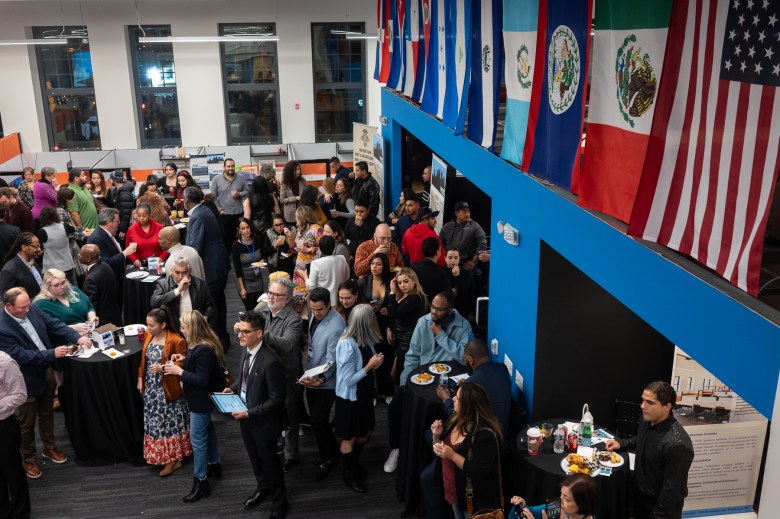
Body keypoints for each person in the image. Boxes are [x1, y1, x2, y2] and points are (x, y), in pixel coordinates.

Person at [0, 287, 91, 479]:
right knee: (27, 423)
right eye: (23, 307)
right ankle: (29, 460)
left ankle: (49, 448)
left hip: (46, 371)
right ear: (8, 306)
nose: (28, 310)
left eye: (28, 305)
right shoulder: (3, 328)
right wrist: (52, 353)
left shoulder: (31, 308)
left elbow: (53, 324)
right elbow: (19, 355)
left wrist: (76, 336)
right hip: (24, 381)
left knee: (47, 413)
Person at [385, 291, 474, 473]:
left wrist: (441, 336)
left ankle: (431, 454)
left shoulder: (463, 326)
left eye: (439, 309)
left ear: (449, 310)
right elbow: (412, 356)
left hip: (445, 383)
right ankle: (397, 447)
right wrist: (404, 384)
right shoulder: (423, 321)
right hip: (419, 379)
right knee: (395, 407)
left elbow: (465, 358)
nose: (433, 312)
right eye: (432, 307)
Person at [227, 311, 288, 518]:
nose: (240, 336)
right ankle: (263, 488)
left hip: (263, 422)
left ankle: (280, 501)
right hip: (246, 418)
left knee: (271, 463)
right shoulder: (247, 350)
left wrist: (249, 413)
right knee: (255, 459)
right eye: (239, 331)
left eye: (245, 332)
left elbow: (277, 399)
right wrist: (233, 388)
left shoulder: (271, 361)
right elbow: (245, 378)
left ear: (259, 333)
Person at [605, 381, 695, 519]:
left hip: (658, 507)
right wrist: (622, 444)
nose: (642, 406)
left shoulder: (678, 445)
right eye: (642, 400)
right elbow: (641, 438)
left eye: (650, 402)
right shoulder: (647, 418)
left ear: (667, 407)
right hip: (639, 495)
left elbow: (672, 493)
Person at [163, 310, 224, 503]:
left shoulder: (203, 349)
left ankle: (201, 481)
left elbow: (201, 379)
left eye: (184, 327)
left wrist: (179, 371)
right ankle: (214, 464)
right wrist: (184, 361)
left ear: (193, 328)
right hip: (201, 399)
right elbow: (198, 366)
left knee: (197, 440)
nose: (181, 331)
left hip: (201, 400)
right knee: (209, 431)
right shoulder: (197, 345)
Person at [431, 383, 504, 519]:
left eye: (457, 398)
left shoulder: (485, 436)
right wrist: (436, 436)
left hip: (473, 501)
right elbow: (441, 451)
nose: (452, 399)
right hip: (453, 492)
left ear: (468, 407)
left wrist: (452, 455)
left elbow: (479, 470)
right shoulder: (455, 419)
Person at [335, 304, 385, 493]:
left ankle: (354, 464)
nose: (374, 321)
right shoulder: (347, 344)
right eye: (372, 318)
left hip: (364, 395)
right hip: (350, 399)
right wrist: (369, 366)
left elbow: (367, 362)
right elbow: (348, 380)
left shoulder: (365, 337)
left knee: (363, 434)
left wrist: (375, 363)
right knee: (350, 437)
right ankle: (348, 475)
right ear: (364, 322)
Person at [297, 288, 346, 481]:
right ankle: (332, 449)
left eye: (320, 310)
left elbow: (332, 359)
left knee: (318, 420)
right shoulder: (315, 314)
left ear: (329, 305)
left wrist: (322, 379)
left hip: (325, 381)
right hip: (312, 372)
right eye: (313, 309)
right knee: (319, 421)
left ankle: (328, 457)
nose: (315, 314)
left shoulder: (336, 326)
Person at [136, 306, 191, 477]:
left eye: (151, 325)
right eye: (147, 324)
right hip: (151, 388)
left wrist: (163, 367)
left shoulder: (176, 340)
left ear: (163, 325)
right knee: (156, 423)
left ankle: (173, 460)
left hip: (167, 388)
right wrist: (140, 379)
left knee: (169, 423)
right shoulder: (148, 336)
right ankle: (167, 457)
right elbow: (143, 361)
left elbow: (183, 364)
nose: (148, 328)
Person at [257, 279, 305, 473]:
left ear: (287, 299)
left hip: (288, 375)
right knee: (272, 412)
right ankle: (278, 444)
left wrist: (261, 334)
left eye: (276, 295)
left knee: (291, 416)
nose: (271, 297)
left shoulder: (293, 319)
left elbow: (286, 344)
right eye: (270, 292)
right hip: (268, 374)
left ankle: (291, 453)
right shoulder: (263, 312)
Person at [183, 186, 230, 352]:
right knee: (220, 303)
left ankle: (216, 346)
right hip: (218, 264)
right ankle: (223, 339)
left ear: (187, 200)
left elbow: (194, 248)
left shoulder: (196, 216)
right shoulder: (205, 210)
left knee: (213, 307)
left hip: (212, 268)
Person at [358, 253, 394, 397]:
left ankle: (387, 391)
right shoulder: (364, 282)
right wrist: (368, 307)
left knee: (387, 358)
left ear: (384, 266)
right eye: (372, 264)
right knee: (370, 358)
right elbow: (358, 303)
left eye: (378, 264)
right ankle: (372, 393)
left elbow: (396, 302)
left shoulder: (391, 281)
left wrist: (388, 310)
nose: (374, 267)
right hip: (369, 324)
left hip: (386, 324)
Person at [0, 349, 30, 517]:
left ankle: (21, 513)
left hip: (4, 426)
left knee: (12, 473)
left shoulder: (5, 362)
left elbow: (20, 395)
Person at [87, 208, 136, 306]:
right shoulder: (97, 238)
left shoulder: (106, 234)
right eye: (117, 221)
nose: (119, 223)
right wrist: (125, 253)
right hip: (110, 282)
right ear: (109, 222)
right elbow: (106, 262)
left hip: (117, 279)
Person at [387, 267, 428, 384]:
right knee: (396, 372)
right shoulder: (405, 295)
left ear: (414, 280)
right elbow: (395, 315)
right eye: (399, 282)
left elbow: (395, 313)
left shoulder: (416, 297)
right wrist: (389, 328)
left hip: (408, 340)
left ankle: (403, 397)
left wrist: (392, 293)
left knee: (401, 372)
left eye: (406, 281)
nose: (402, 285)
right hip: (400, 339)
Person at [150, 257, 216, 330]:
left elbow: (211, 305)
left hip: (195, 328)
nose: (180, 277)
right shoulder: (163, 284)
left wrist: (205, 318)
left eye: (184, 273)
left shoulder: (200, 284)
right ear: (172, 271)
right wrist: (178, 290)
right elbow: (154, 302)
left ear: (190, 271)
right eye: (177, 272)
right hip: (174, 329)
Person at [509, 474, 599, 519]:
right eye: (561, 494)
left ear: (583, 504)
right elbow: (532, 511)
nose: (560, 500)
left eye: (567, 499)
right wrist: (522, 505)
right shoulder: (557, 506)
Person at [439, 201, 488, 282]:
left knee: (466, 283)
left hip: (466, 263)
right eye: (464, 211)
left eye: (468, 211)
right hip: (449, 262)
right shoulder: (446, 227)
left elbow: (483, 243)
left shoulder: (475, 226)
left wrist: (474, 261)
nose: (467, 214)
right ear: (456, 213)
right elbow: (439, 244)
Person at [211, 158, 248, 253]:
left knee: (239, 236)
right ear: (224, 167)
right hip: (224, 214)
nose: (231, 168)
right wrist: (219, 210)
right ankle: (228, 260)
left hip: (238, 213)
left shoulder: (241, 177)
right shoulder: (216, 179)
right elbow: (213, 197)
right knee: (225, 238)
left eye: (232, 166)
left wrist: (239, 194)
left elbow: (247, 191)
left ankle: (239, 256)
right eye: (228, 166)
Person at [79, 244, 122, 326]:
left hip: (102, 322)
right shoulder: (106, 266)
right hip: (115, 316)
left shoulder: (91, 279)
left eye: (80, 254)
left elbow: (90, 305)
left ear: (88, 259)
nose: (78, 255)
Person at [301, 236, 350, 306]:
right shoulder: (342, 259)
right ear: (334, 247)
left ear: (320, 249)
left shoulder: (316, 263)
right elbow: (347, 277)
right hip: (340, 301)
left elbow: (312, 286)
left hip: (324, 302)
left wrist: (305, 277)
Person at [233, 217, 268, 310]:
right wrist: (242, 288)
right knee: (250, 310)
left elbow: (263, 255)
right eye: (243, 228)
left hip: (258, 278)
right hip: (245, 281)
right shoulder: (236, 245)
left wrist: (262, 261)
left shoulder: (257, 239)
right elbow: (237, 269)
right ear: (238, 230)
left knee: (259, 309)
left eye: (247, 227)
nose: (246, 230)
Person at [288, 205, 323, 289]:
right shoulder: (300, 230)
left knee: (310, 293)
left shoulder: (317, 229)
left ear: (302, 217)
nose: (295, 219)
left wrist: (308, 250)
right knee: (297, 294)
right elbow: (294, 250)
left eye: (297, 217)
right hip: (299, 268)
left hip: (311, 268)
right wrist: (289, 237)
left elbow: (323, 248)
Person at [36, 206, 75, 279]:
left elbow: (39, 250)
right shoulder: (65, 226)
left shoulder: (41, 232)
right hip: (67, 265)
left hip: (51, 268)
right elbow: (73, 229)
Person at [0, 233, 43, 298]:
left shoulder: (31, 260)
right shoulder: (9, 270)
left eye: (39, 245)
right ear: (24, 247)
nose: (39, 249)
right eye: (36, 246)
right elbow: (7, 299)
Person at [126, 204, 168, 268]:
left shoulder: (159, 227)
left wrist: (161, 258)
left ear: (149, 215)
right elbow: (127, 249)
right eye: (139, 216)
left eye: (144, 216)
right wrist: (135, 260)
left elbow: (167, 246)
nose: (141, 218)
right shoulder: (131, 229)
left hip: (158, 265)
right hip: (140, 266)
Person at [412, 237, 451, 303]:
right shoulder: (441, 275)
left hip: (415, 305)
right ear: (437, 252)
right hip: (433, 308)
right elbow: (448, 297)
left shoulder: (414, 265)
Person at [444, 247, 474, 318]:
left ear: (459, 258)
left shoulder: (465, 272)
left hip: (461, 307)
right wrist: (449, 291)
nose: (453, 260)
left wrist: (457, 276)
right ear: (445, 258)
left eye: (456, 258)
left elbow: (466, 291)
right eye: (450, 258)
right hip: (445, 307)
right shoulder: (441, 272)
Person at [107, 169, 135, 241]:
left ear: (114, 180)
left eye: (111, 179)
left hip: (124, 226)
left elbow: (126, 213)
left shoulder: (124, 193)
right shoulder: (117, 190)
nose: (110, 180)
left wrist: (123, 229)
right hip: (120, 223)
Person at [279, 160, 306, 224]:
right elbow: (282, 200)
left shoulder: (302, 180)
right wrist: (295, 198)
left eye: (298, 169)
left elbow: (304, 195)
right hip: (290, 215)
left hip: (302, 213)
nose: (298, 171)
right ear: (290, 171)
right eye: (295, 170)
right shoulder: (284, 182)